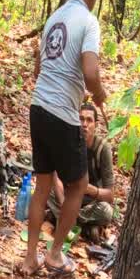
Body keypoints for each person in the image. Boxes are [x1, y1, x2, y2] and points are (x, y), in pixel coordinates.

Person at [22, 0, 108, 276]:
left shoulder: (54, 17)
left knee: (42, 185)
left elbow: (37, 70)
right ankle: (55, 255)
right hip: (60, 113)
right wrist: (98, 95)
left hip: (38, 108)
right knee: (79, 184)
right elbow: (90, 71)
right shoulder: (88, 21)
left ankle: (30, 257)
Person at [48, 103, 114, 242]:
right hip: (68, 196)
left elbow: (109, 194)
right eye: (81, 119)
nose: (84, 124)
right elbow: (55, 176)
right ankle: (82, 227)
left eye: (89, 120)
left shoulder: (103, 149)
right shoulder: (68, 142)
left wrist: (91, 190)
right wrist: (63, 203)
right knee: (45, 190)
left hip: (90, 202)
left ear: (96, 124)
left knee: (106, 211)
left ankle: (66, 221)